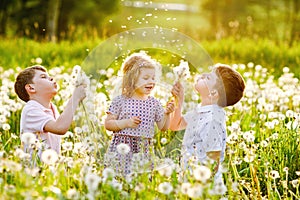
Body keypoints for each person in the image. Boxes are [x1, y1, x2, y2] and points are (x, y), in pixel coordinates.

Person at [170, 63, 245, 184]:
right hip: (189, 180)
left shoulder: (212, 120)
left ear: (213, 93)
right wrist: (179, 100)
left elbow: (213, 163)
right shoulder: (201, 110)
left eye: (208, 77)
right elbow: (175, 125)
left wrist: (200, 187)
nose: (203, 74)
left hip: (204, 187)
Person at [104, 52, 175, 176]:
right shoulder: (120, 100)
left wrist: (167, 114)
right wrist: (125, 123)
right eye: (146, 78)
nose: (151, 82)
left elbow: (163, 127)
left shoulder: (154, 103)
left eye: (153, 78)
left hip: (144, 150)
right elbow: (108, 124)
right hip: (122, 149)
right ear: (132, 79)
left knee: (142, 181)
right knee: (121, 179)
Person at [14, 65, 86, 157]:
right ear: (31, 88)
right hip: (36, 169)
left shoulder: (53, 108)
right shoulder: (30, 109)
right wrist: (75, 97)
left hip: (51, 168)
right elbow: (60, 128)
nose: (51, 78)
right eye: (43, 77)